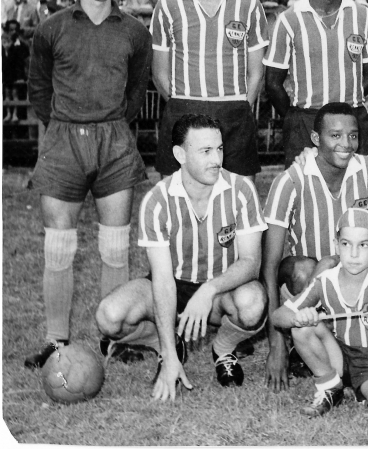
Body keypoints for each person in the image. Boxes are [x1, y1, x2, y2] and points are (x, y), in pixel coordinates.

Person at [25, 0, 152, 368]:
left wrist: (109, 122)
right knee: (58, 246)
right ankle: (56, 340)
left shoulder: (134, 31)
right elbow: (39, 88)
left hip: (115, 139)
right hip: (63, 139)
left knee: (115, 246)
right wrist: (65, 121)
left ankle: (114, 339)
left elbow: (136, 92)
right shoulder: (51, 27)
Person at [95, 114, 268, 398]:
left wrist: (209, 290)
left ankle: (223, 348)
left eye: (219, 149)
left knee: (253, 303)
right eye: (205, 151)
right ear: (180, 154)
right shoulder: (156, 200)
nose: (216, 159)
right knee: (109, 317)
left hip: (221, 292)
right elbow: (162, 281)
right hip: (173, 285)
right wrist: (169, 355)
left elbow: (251, 263)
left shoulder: (241, 190)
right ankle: (166, 344)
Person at [261, 102, 368, 390]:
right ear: (315, 139)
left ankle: (340, 347)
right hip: (309, 281)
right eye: (335, 136)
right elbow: (270, 263)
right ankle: (300, 341)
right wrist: (275, 342)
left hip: (356, 274)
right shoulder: (290, 180)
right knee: (307, 268)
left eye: (352, 135)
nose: (345, 144)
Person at [150, 0, 269, 180]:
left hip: (234, 112)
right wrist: (184, 105)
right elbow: (159, 73)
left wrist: (239, 107)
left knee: (237, 205)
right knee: (178, 202)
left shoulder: (249, 5)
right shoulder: (167, 6)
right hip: (183, 110)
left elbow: (257, 73)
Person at [271, 209, 368, 420]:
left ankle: (365, 388)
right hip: (339, 354)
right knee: (302, 328)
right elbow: (278, 316)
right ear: (336, 245)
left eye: (363, 245)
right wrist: (299, 317)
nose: (353, 254)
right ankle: (330, 386)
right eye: (346, 244)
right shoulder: (326, 279)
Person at [264, 0, 368, 168]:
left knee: (357, 196)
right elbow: (273, 84)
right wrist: (296, 116)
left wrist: (346, 106)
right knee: (308, 198)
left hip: (353, 117)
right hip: (307, 119)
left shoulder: (364, 16)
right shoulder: (289, 19)